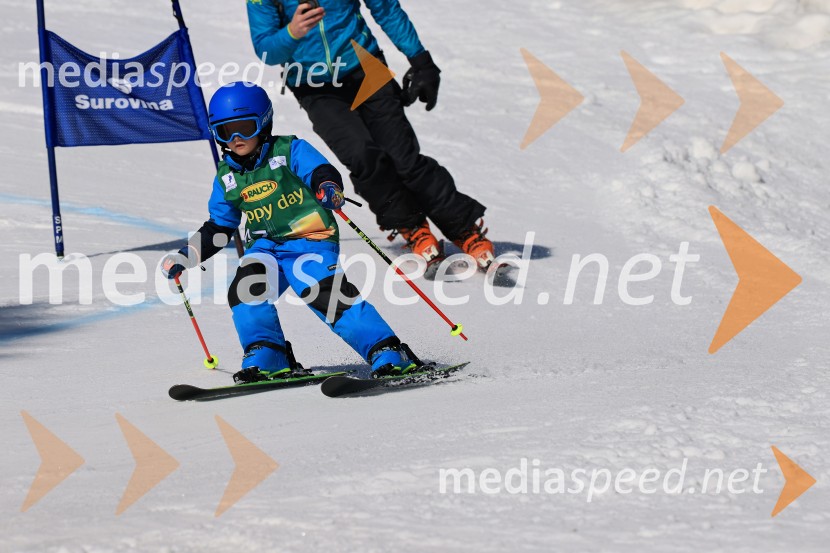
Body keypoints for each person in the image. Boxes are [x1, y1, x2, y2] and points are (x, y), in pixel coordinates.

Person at [160, 81, 418, 382]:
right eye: (226, 131)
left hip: (310, 241)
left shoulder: (289, 150)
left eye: (245, 127)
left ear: (264, 123)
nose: (237, 138)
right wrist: (186, 256)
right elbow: (219, 226)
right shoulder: (227, 178)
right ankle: (268, 353)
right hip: (265, 248)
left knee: (323, 292)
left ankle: (386, 350)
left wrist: (327, 188)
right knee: (245, 292)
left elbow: (320, 171)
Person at [246, 0, 496, 276]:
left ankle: (464, 229)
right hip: (313, 85)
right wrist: (292, 32)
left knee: (405, 157)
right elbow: (266, 48)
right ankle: (412, 227)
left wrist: (421, 61)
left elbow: (385, 8)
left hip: (364, 65)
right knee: (362, 156)